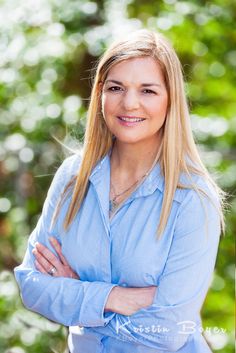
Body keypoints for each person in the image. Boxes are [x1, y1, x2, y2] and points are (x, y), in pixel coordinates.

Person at [14, 29, 225, 353]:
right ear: (100, 94)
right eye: (116, 88)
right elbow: (32, 285)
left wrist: (80, 298)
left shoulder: (192, 199)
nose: (129, 103)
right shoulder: (73, 177)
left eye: (148, 91)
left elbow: (168, 331)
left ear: (171, 99)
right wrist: (114, 297)